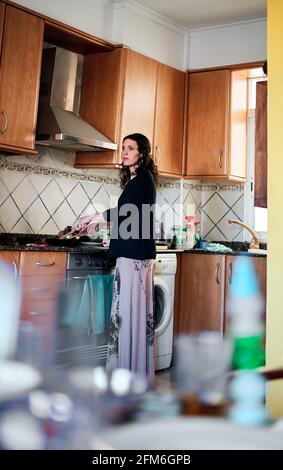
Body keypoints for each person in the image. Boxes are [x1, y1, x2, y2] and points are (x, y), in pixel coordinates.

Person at [72, 133, 158, 384]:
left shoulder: (143, 179)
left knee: (127, 314)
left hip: (133, 258)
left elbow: (124, 211)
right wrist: (106, 231)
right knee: (132, 315)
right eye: (123, 148)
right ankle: (133, 374)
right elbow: (131, 218)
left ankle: (126, 377)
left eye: (130, 148)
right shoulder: (139, 180)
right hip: (134, 254)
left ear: (142, 153)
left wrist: (92, 217)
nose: (124, 152)